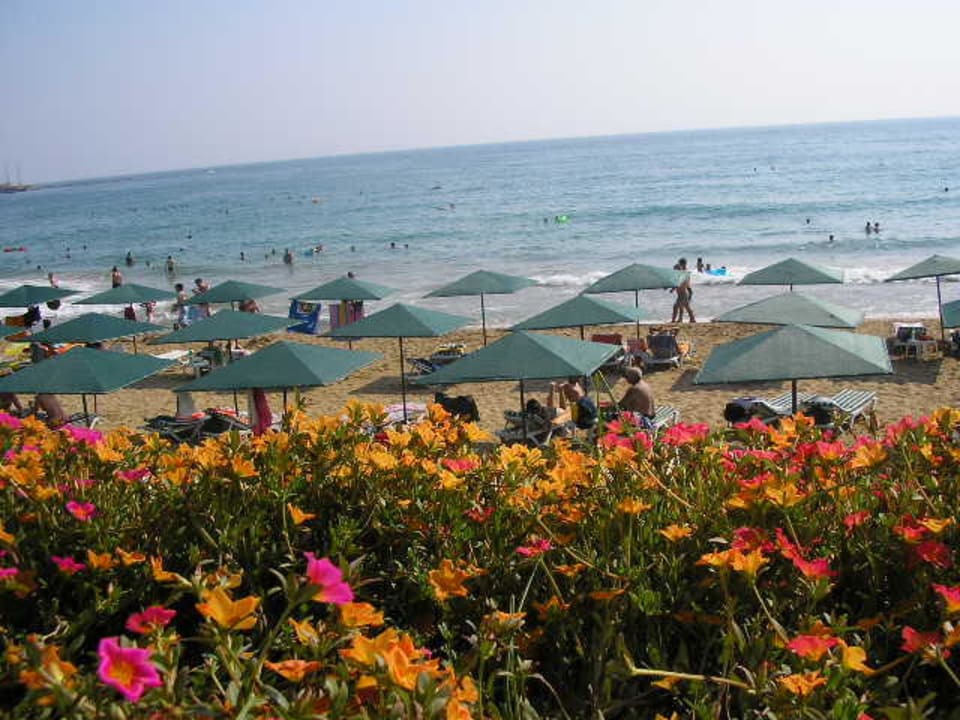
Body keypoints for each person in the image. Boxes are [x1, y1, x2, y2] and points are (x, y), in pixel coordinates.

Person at [671, 258, 696, 323]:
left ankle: (674, 320)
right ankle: (691, 318)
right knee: (686, 307)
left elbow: (684, 283)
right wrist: (672, 289)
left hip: (683, 293)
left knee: (676, 306)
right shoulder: (681, 274)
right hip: (681, 293)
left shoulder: (684, 273)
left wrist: (690, 292)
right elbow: (676, 283)